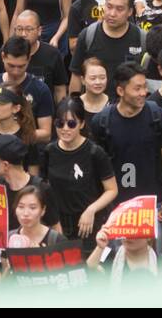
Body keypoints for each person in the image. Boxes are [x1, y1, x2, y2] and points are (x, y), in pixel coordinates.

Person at [90, 63, 162, 223]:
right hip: (116, 204)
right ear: (120, 91)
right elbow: (97, 167)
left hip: (152, 202)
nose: (143, 93)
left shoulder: (157, 116)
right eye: (137, 89)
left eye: (144, 87)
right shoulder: (101, 122)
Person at [41, 97, 118, 245]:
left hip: (88, 223)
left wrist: (91, 210)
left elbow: (112, 190)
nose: (65, 128)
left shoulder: (95, 152)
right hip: (59, 223)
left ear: (81, 124)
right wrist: (52, 221)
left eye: (71, 124)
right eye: (60, 123)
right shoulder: (49, 151)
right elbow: (44, 187)